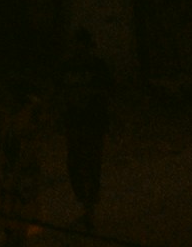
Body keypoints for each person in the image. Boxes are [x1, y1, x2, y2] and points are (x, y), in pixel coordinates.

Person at [57, 23, 112, 229]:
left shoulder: (98, 66)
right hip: (74, 123)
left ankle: (89, 209)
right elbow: (60, 93)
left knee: (91, 165)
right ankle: (85, 203)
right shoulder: (66, 67)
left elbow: (107, 93)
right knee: (74, 164)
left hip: (92, 122)